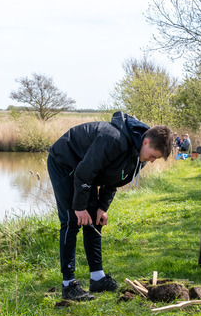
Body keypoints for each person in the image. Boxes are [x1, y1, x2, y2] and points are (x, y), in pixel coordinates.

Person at [47, 112, 174, 301]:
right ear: (146, 142)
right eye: (153, 156)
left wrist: (102, 207)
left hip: (85, 172)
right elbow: (84, 173)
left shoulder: (139, 155)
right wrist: (80, 207)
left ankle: (97, 278)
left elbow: (114, 179)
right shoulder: (113, 139)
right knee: (71, 221)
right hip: (65, 163)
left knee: (94, 221)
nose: (152, 161)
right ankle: (68, 284)